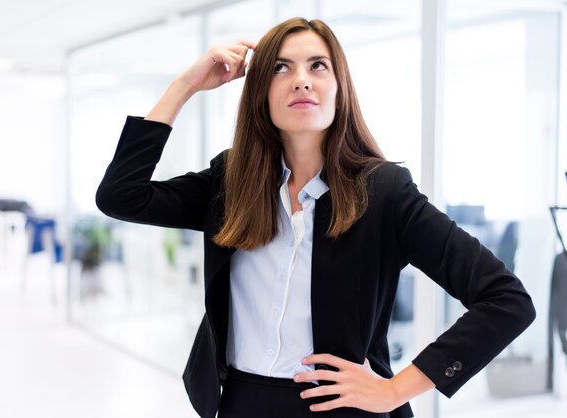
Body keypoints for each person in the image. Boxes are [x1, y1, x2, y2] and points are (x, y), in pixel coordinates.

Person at [96, 17, 535, 418]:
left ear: (339, 86)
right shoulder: (231, 181)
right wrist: (185, 85)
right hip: (238, 403)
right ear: (260, 92)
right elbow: (122, 195)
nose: (301, 81)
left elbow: (506, 300)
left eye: (317, 66)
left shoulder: (384, 192)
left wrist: (396, 390)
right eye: (281, 68)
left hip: (339, 408)